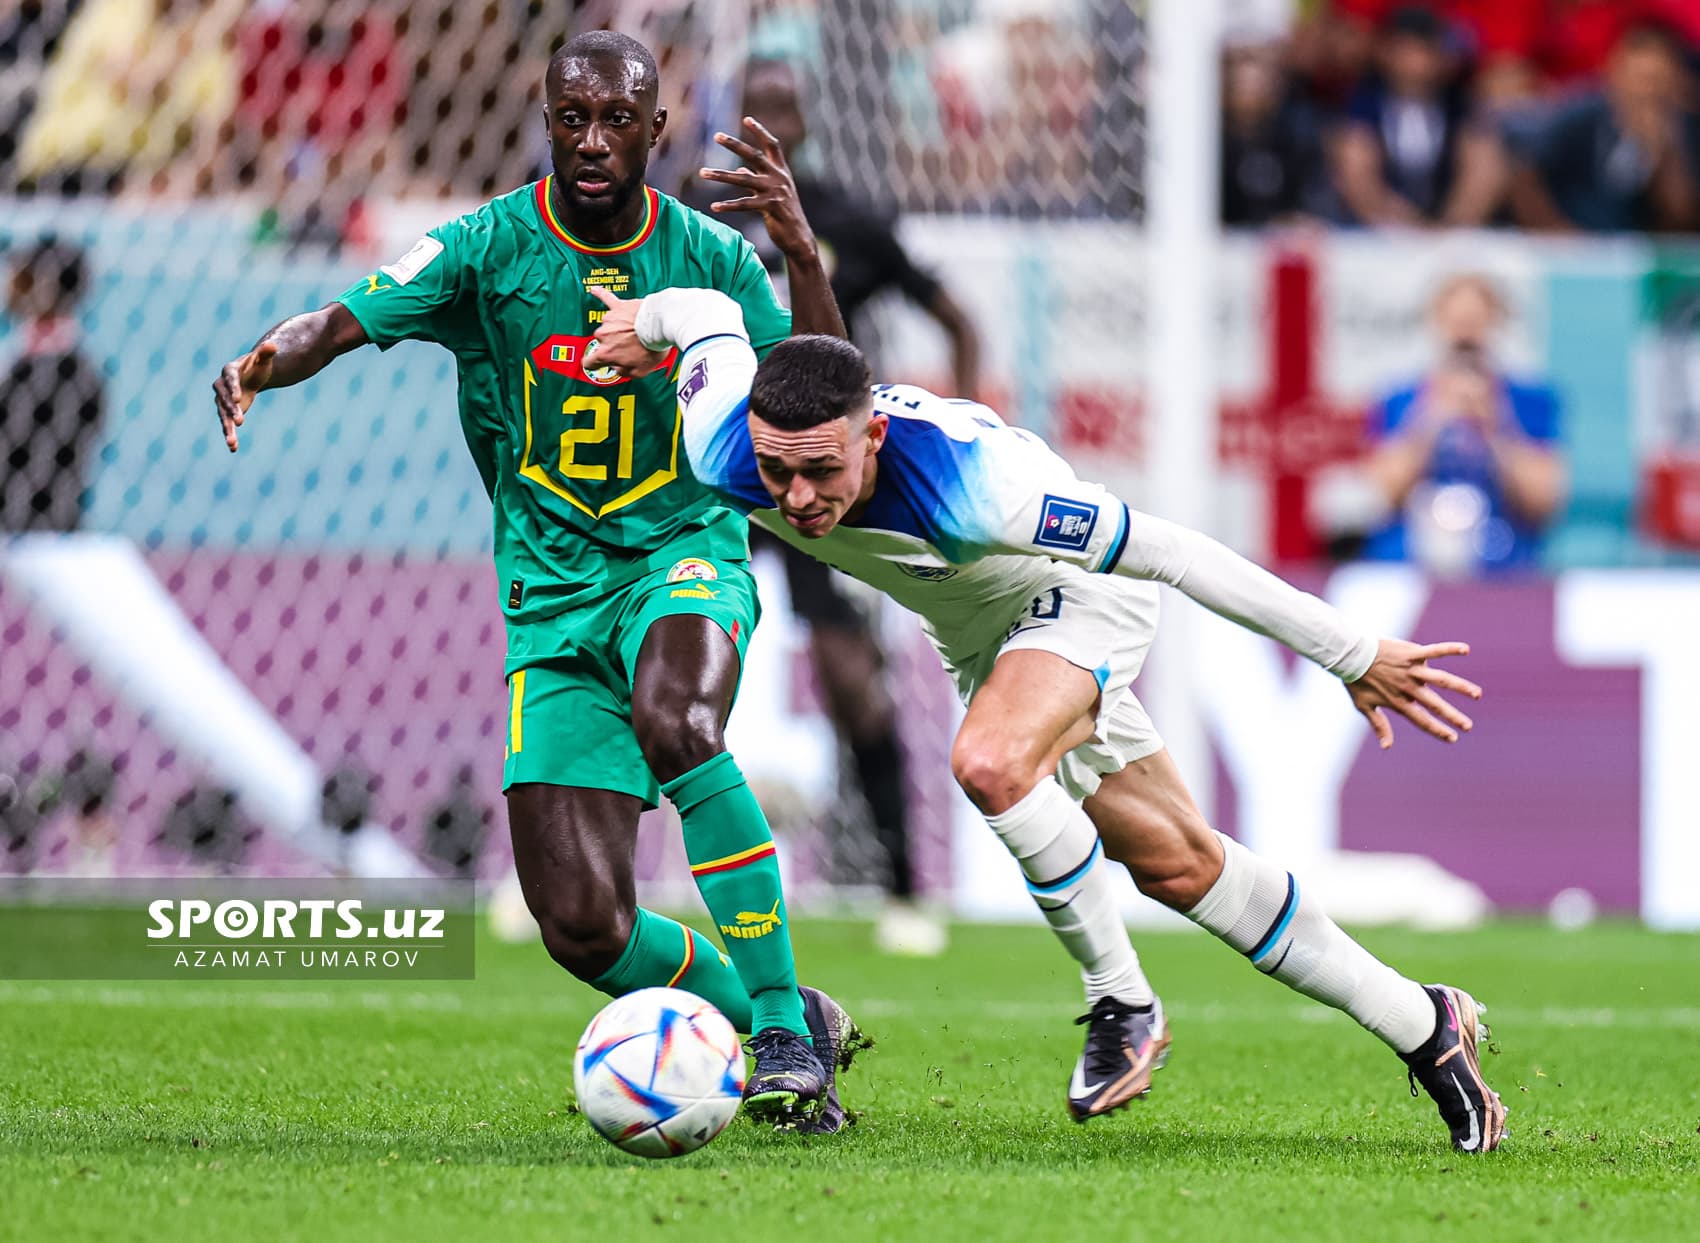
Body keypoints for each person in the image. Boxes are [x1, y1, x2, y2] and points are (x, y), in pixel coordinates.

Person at [586, 284, 1508, 1151]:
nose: (795, 499)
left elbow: (1179, 554)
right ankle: (1425, 1022)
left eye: (821, 471)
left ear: (873, 436)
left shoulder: (982, 489)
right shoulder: (722, 438)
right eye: (777, 472)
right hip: (982, 637)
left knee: (990, 761)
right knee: (1179, 863)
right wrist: (643, 318)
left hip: (1076, 595)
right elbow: (706, 313)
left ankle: (1122, 1000)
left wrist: (1352, 651)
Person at [210, 31, 861, 1132]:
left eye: (618, 120)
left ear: (657, 130)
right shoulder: (484, 248)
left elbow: (825, 396)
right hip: (550, 593)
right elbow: (341, 319)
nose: (593, 141)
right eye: (573, 119)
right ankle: (792, 1012)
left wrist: (799, 251)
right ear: (546, 122)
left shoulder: (712, 257)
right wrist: (260, 365)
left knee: (678, 718)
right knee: (582, 925)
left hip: (681, 551)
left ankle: (784, 1042)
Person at [687, 58, 984, 954]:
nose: (768, 125)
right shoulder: (691, 215)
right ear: (730, 118)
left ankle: (904, 891)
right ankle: (574, 872)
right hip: (727, 475)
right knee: (659, 665)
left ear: (805, 124)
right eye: (754, 109)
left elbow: (959, 321)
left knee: (854, 680)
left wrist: (963, 432)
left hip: (819, 486)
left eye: (783, 110)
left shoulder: (846, 218)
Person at [1358, 273, 1567, 574]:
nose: (1465, 336)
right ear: (1437, 322)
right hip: (1409, 561)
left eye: (1475, 323)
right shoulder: (1401, 398)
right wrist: (1430, 418)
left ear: (1496, 323)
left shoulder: (1530, 399)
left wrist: (1496, 424)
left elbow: (1543, 500)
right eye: (1457, 323)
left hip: (1503, 563)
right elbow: (1384, 492)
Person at [1509, 21, 1700, 234]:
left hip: (1637, 242)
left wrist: (1663, 150)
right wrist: (1555, 229)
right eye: (1641, 78)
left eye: (1656, 80)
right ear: (1616, 73)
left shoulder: (1682, 125)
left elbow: (1681, 216)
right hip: (1574, 237)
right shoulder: (1583, 115)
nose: (1646, 91)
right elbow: (1525, 170)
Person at [1330, 5, 1506, 227]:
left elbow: (1484, 169)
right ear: (1385, 53)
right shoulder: (1364, 101)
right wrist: (1402, 223)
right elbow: (1355, 172)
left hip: (1446, 225)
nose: (1416, 62)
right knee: (1352, 151)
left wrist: (1450, 224)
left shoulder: (1458, 101)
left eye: (1426, 50)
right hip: (1381, 227)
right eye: (1408, 50)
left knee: (1485, 151)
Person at [2, 237, 105, 533]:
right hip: (53, 526)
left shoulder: (52, 371)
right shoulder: (83, 372)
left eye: (22, 279)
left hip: (27, 529)